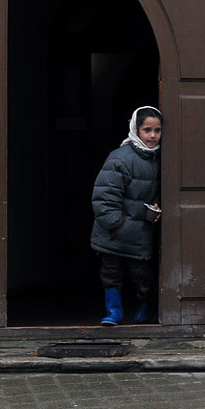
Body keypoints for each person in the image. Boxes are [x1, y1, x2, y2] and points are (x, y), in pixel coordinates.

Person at [90, 105, 162, 326]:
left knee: (143, 276)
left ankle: (148, 307)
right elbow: (104, 197)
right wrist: (117, 225)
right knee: (111, 274)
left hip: (139, 234)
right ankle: (113, 313)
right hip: (113, 233)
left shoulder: (162, 159)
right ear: (135, 129)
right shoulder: (120, 158)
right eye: (147, 129)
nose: (152, 135)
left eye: (157, 130)